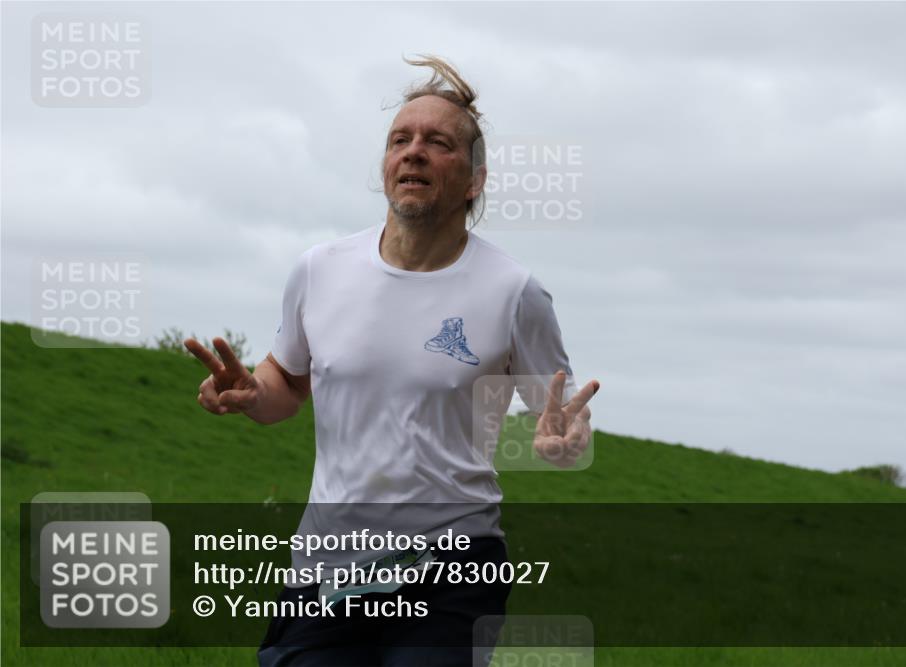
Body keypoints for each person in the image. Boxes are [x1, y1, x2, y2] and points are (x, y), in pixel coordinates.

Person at [185, 55, 599, 667]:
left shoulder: (514, 292)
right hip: (327, 564)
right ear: (385, 166)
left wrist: (567, 440)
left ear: (475, 180)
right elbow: (286, 388)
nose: (414, 152)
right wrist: (253, 392)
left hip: (453, 562)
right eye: (400, 140)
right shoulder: (319, 271)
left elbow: (559, 416)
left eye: (438, 143)